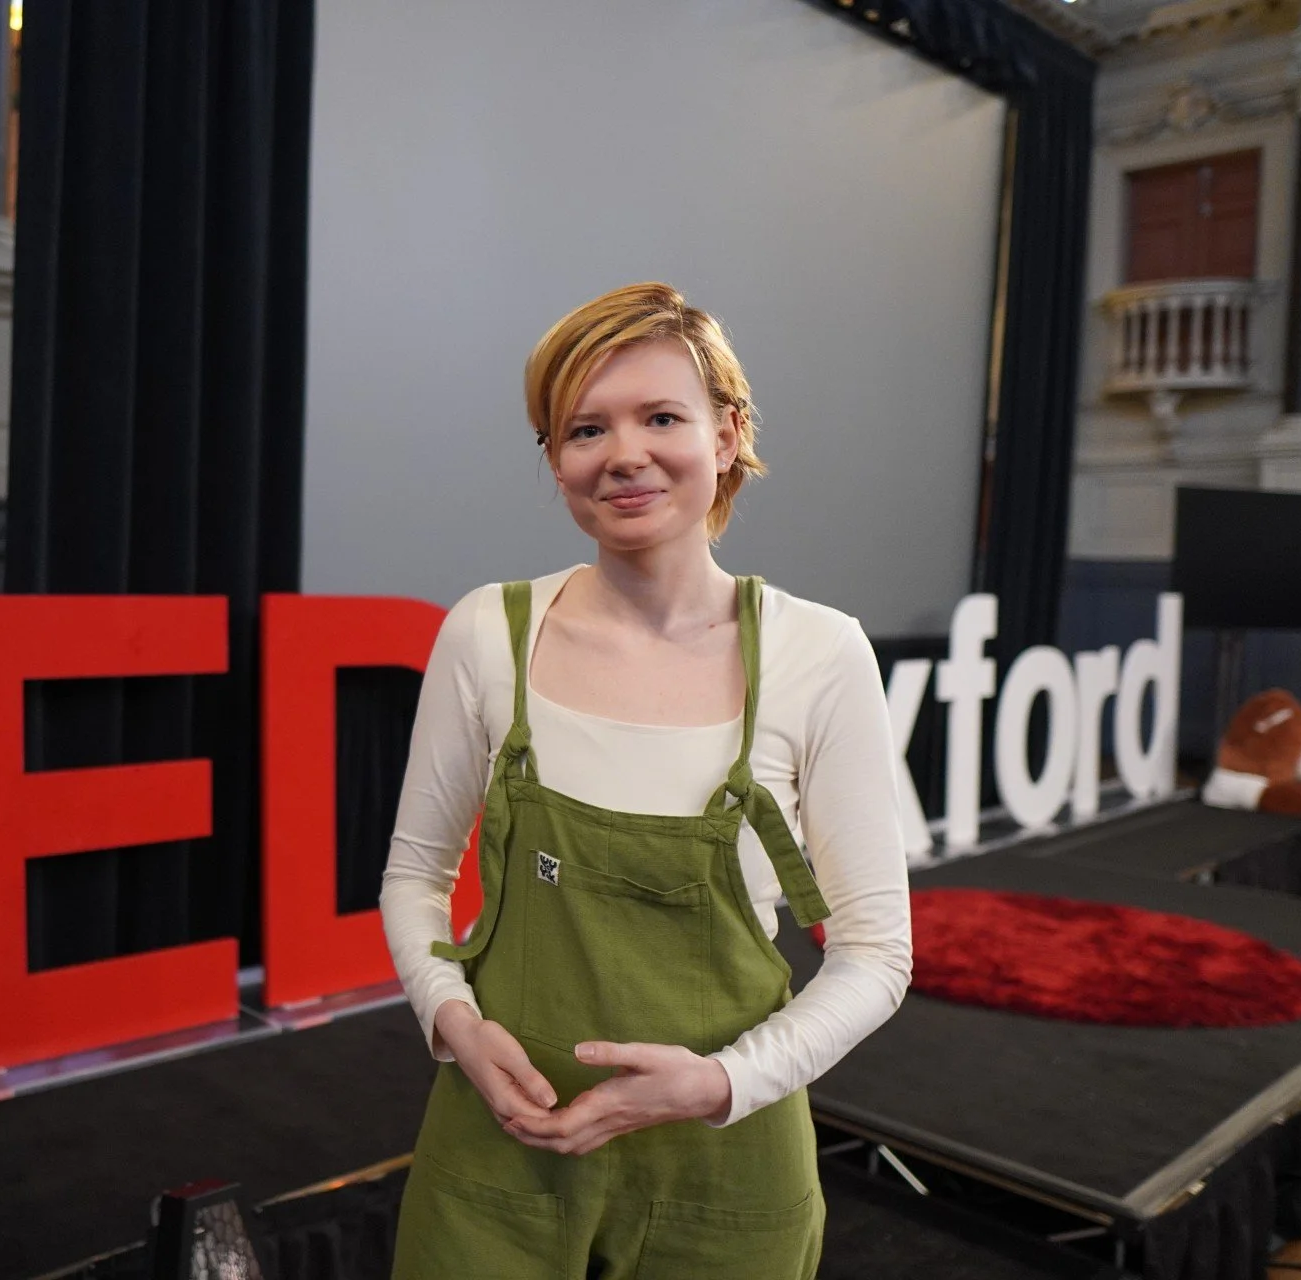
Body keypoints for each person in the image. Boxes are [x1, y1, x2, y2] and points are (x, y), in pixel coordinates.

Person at [379, 282, 912, 1278]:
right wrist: (451, 1020)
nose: (623, 452)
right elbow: (413, 877)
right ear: (554, 460)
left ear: (727, 433)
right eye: (585, 427)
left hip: (727, 1166)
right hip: (502, 1149)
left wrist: (718, 1081)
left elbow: (878, 954)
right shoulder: (487, 634)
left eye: (660, 416)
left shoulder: (820, 653)